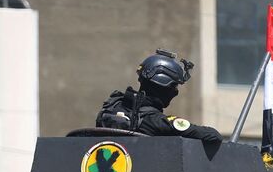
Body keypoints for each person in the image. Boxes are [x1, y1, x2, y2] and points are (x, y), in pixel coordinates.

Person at [95, 49, 223, 142]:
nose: (176, 92)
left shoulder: (111, 107)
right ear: (163, 85)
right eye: (174, 86)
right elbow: (213, 135)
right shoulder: (156, 122)